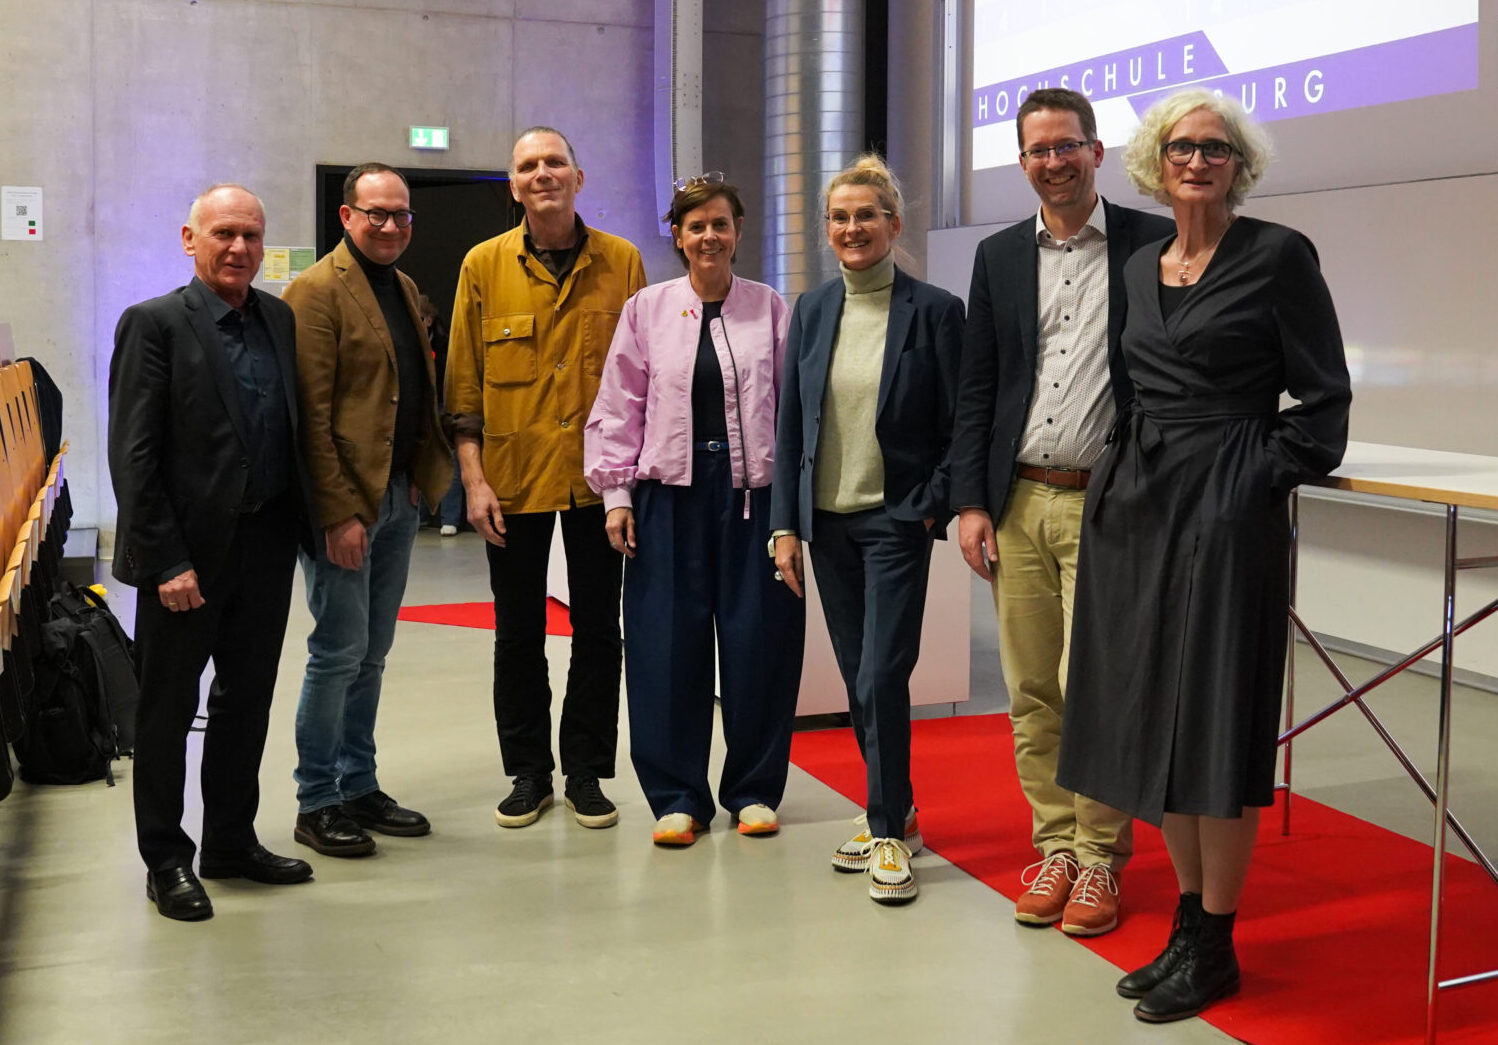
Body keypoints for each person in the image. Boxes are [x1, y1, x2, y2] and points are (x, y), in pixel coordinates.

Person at [1056, 89, 1351, 1021]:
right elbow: (1134, 392)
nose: (1197, 160)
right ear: (1154, 159)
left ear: (1239, 164)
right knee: (1154, 726)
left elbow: (1325, 408)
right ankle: (1187, 922)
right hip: (1138, 511)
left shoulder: (1279, 256)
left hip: (1227, 515)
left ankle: (1217, 940)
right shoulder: (1142, 267)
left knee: (1216, 722)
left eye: (1215, 148)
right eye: (1181, 146)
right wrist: (1114, 481)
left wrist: (1249, 477)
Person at [949, 88, 1173, 936]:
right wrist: (970, 500)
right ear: (1023, 162)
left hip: (1109, 506)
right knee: (1033, 690)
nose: (1055, 161)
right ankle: (1055, 848)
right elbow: (980, 384)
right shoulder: (1000, 255)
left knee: (1101, 690)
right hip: (1016, 503)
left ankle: (1100, 859)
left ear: (1097, 150)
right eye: (1039, 150)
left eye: (1068, 146)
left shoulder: (1150, 243)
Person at [108, 184, 315, 920]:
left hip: (264, 545)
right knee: (167, 712)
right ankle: (166, 858)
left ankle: (230, 839)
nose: (240, 248)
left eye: (252, 235)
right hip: (185, 559)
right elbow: (134, 455)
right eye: (224, 233)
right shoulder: (155, 323)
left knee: (244, 703)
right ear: (189, 238)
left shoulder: (278, 319)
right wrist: (164, 560)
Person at [584, 173, 805, 847]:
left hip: (754, 497)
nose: (709, 235)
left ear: (738, 232)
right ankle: (676, 794)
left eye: (720, 223)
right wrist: (616, 494)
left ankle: (755, 789)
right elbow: (620, 404)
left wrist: (791, 508)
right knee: (664, 645)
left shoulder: (769, 307)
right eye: (696, 225)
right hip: (668, 498)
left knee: (759, 642)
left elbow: (792, 411)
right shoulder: (647, 309)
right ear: (677, 237)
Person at [770, 155, 963, 904]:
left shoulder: (936, 310)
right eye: (841, 218)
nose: (853, 228)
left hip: (894, 519)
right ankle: (900, 810)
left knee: (884, 670)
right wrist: (785, 524)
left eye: (867, 215)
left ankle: (886, 828)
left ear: (895, 224)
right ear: (828, 230)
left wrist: (930, 501)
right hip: (828, 522)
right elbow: (791, 421)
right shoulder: (813, 309)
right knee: (858, 676)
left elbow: (959, 421)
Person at [447, 127, 646, 830]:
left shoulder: (621, 263)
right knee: (517, 631)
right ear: (514, 185)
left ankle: (587, 769)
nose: (542, 174)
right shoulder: (481, 265)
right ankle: (528, 770)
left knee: (599, 628)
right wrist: (473, 481)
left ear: (578, 176)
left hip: (598, 483)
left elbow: (642, 378)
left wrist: (630, 484)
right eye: (528, 166)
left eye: (554, 162)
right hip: (512, 478)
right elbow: (463, 390)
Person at [282, 163, 452, 857]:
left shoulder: (404, 288)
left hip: (399, 496)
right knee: (337, 650)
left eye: (401, 215)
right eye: (376, 213)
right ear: (346, 216)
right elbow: (310, 418)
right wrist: (336, 514)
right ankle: (316, 799)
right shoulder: (315, 293)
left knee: (374, 652)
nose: (390, 225)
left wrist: (417, 477)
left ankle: (359, 782)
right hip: (346, 507)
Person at [419, 293, 465, 536]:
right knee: (419, 464)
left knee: (451, 463)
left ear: (428, 320)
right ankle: (421, 517)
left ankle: (450, 518)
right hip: (420, 410)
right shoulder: (406, 341)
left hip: (444, 406)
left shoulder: (445, 344)